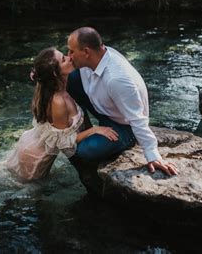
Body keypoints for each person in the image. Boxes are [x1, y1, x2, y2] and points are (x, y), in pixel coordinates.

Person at [0, 47, 119, 183]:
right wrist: (94, 130)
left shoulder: (54, 87)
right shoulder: (58, 101)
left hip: (31, 143)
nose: (69, 58)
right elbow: (63, 142)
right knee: (25, 193)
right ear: (55, 74)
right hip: (36, 158)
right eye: (64, 59)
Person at [66, 27, 178, 176]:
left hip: (124, 125)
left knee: (85, 150)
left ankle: (126, 140)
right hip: (103, 108)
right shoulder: (96, 55)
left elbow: (137, 119)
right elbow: (61, 64)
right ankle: (86, 129)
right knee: (71, 79)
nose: (68, 56)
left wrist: (153, 155)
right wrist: (41, 72)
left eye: (71, 51)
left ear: (86, 52)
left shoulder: (117, 79)